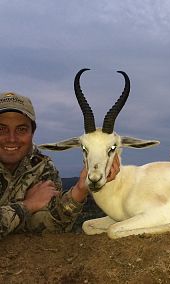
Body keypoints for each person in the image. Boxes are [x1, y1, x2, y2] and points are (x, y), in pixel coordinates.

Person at [0, 92, 120, 239]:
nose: (11, 139)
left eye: (21, 129)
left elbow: (45, 228)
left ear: (32, 132)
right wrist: (27, 206)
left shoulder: (42, 168)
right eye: (2, 129)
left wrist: (80, 190)